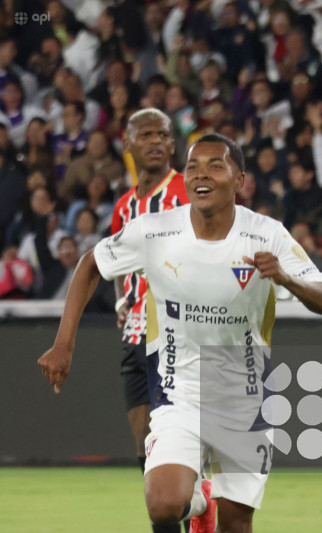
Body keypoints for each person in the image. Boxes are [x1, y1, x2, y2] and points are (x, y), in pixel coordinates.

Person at [38, 133, 322, 532]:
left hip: (245, 399)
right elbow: (91, 264)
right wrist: (64, 344)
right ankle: (197, 499)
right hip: (178, 394)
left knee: (235, 525)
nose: (201, 174)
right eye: (193, 166)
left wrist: (285, 278)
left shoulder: (268, 235)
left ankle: (205, 502)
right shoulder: (155, 232)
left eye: (216, 165)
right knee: (163, 504)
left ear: (240, 179)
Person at [110, 108, 190, 533]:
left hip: (181, 340)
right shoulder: (124, 207)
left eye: (163, 134)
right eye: (146, 135)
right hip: (136, 336)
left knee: (174, 456)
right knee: (146, 457)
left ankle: (202, 507)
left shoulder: (187, 192)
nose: (156, 140)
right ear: (128, 145)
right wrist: (123, 298)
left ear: (172, 145)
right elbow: (115, 264)